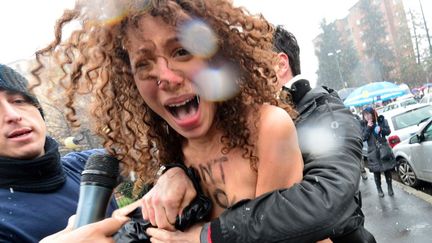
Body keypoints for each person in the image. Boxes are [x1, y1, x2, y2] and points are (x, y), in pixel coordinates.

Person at [34, 0, 331, 242]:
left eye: (181, 51)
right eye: (143, 63)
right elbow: (146, 222)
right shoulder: (172, 149)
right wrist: (98, 231)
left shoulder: (267, 127)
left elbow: (271, 235)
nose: (165, 76)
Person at [139, 25, 376, 242]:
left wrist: (208, 236)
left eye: (251, 62)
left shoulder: (326, 116)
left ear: (280, 64)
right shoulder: (238, 125)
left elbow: (326, 201)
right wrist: (172, 171)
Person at [0, 63, 119, 242]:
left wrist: (170, 171)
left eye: (19, 100)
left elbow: (155, 150)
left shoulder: (89, 164)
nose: (13, 115)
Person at [361, 106, 396, 197]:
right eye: (365, 115)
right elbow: (363, 138)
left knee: (387, 170)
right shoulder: (363, 125)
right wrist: (368, 127)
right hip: (373, 152)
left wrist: (381, 129)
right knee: (376, 172)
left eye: (369, 114)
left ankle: (390, 187)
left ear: (372, 113)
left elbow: (388, 131)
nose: (367, 116)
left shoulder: (380, 121)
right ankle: (379, 189)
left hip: (383, 149)